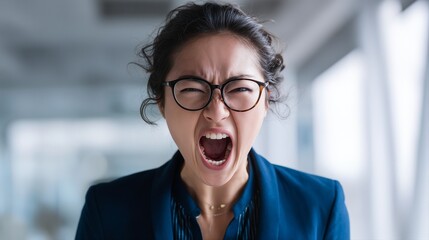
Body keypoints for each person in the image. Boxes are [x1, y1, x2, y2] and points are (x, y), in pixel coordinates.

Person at [76, 2, 350, 239]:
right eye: (193, 89)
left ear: (265, 100)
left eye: (240, 88)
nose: (216, 111)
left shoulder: (321, 206)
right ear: (162, 101)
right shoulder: (107, 211)